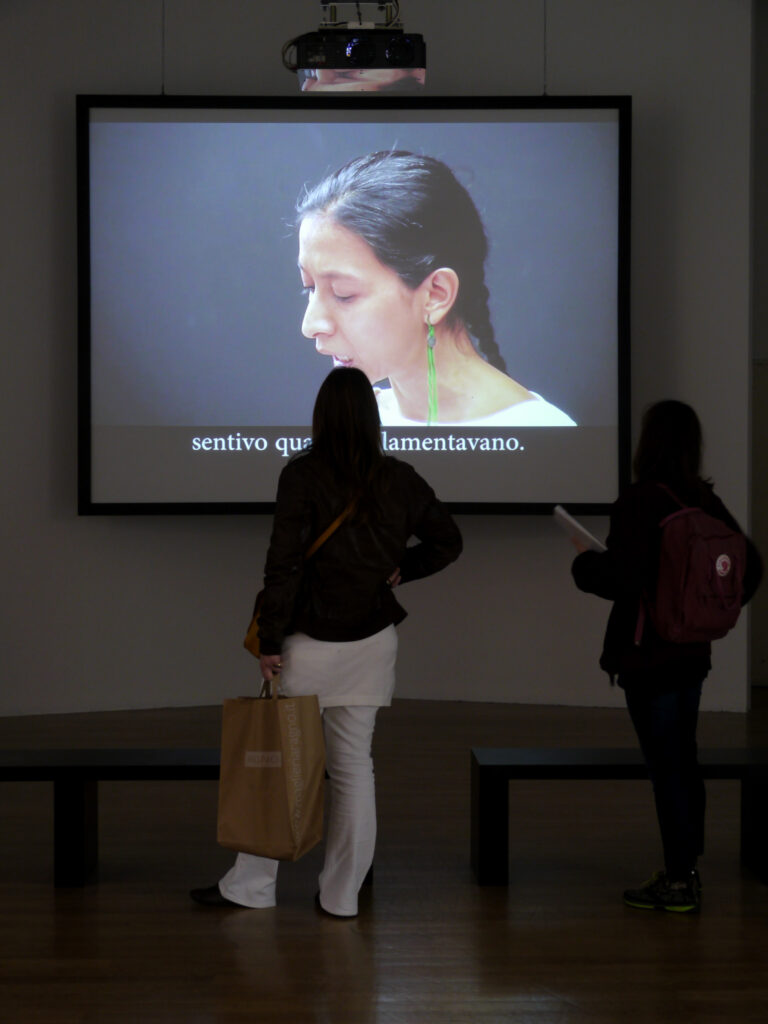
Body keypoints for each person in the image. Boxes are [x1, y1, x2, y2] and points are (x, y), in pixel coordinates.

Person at [191, 366, 462, 917]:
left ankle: (252, 886)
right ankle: (341, 897)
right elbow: (448, 542)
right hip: (371, 641)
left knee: (276, 760)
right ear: (372, 416)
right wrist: (399, 570)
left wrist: (269, 640)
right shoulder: (401, 478)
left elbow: (283, 565)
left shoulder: (303, 475)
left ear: (320, 416)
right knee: (354, 768)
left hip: (307, 641)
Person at [570, 400, 762, 913]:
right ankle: (684, 871)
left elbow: (624, 579)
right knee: (683, 761)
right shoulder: (703, 498)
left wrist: (585, 567)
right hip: (690, 654)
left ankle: (679, 880)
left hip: (648, 656)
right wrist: (707, 611)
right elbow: (753, 566)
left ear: (646, 443)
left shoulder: (640, 501)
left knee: (669, 767)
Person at [296, 150, 576, 427]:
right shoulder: (350, 422)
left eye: (344, 294)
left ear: (436, 294)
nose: (310, 326)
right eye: (309, 287)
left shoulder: (544, 434)